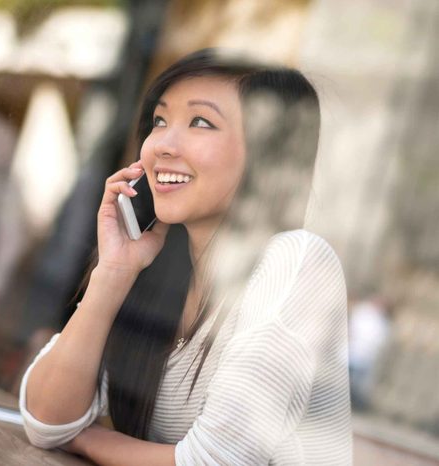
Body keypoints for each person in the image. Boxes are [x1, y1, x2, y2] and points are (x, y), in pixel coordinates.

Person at [19, 49, 351, 465]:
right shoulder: (159, 270)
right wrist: (113, 274)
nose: (162, 146)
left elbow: (214, 462)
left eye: (200, 122)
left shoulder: (297, 260)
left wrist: (83, 441)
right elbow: (46, 419)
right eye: (160, 121)